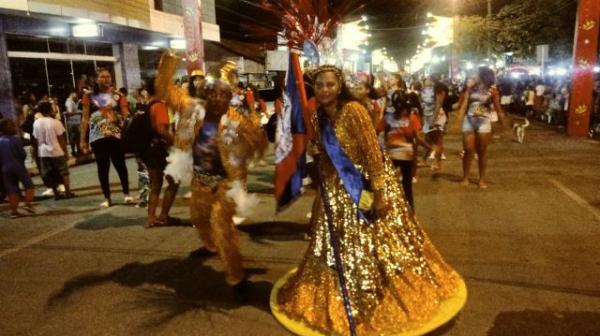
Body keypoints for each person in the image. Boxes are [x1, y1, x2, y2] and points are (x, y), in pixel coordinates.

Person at [273, 65, 464, 335]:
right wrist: (316, 154)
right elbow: (326, 156)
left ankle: (374, 294)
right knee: (338, 246)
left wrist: (380, 193)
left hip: (365, 187)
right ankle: (344, 294)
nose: (325, 90)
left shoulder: (354, 111)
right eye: (320, 85)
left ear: (339, 86)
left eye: (330, 84)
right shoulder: (317, 116)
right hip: (337, 191)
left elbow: (374, 153)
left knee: (376, 245)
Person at [190, 79, 265, 295]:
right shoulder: (196, 116)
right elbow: (173, 100)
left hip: (225, 184)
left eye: (224, 96)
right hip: (199, 181)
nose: (219, 100)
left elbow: (258, 140)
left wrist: (252, 131)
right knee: (198, 218)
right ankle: (211, 247)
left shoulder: (234, 120)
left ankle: (236, 278)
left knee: (222, 230)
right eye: (214, 95)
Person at [80, 68, 133, 207]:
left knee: (120, 165)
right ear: (96, 79)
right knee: (102, 167)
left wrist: (123, 122)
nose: (106, 79)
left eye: (108, 76)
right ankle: (107, 198)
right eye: (102, 77)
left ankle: (126, 194)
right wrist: (82, 140)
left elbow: (126, 115)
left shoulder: (118, 95)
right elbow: (85, 118)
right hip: (97, 137)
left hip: (115, 135)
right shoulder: (89, 96)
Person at [455, 67, 507, 188]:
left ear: (483, 76)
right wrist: (458, 120)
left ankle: (482, 179)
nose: (474, 76)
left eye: (477, 74)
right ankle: (465, 177)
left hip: (484, 122)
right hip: (469, 120)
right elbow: (464, 104)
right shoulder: (470, 88)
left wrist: (503, 119)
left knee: (482, 151)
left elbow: (497, 106)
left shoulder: (492, 90)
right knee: (468, 149)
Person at [385, 90, 431, 209]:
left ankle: (392, 209)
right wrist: (428, 147)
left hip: (393, 155)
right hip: (406, 155)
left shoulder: (389, 117)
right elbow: (416, 138)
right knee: (407, 185)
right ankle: (410, 211)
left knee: (389, 183)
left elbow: (381, 132)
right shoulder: (412, 118)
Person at [143, 77, 179, 227]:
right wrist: (176, 142)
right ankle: (163, 215)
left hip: (148, 149)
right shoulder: (159, 106)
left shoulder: (147, 104)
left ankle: (151, 218)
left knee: (155, 185)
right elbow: (161, 130)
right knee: (173, 181)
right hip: (159, 150)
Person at [32, 101, 74, 199]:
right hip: (56, 150)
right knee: (64, 172)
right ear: (50, 109)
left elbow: (36, 140)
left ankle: (56, 194)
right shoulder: (55, 122)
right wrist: (66, 152)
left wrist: (35, 153)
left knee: (49, 173)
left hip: (43, 152)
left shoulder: (36, 123)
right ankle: (67, 192)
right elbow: (61, 140)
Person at [0, 119, 35, 218]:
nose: (15, 127)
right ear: (7, 128)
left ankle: (14, 211)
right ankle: (28, 204)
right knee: (29, 185)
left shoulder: (0, 141)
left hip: (5, 168)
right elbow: (22, 154)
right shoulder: (15, 139)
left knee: (12, 190)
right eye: (12, 126)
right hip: (18, 165)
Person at [64, 91, 81, 157]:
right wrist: (78, 112)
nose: (77, 97)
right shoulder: (69, 102)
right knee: (74, 137)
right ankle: (74, 151)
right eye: (76, 96)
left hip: (74, 121)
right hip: (72, 122)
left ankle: (77, 151)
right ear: (72, 95)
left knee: (76, 137)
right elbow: (70, 113)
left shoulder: (71, 101)